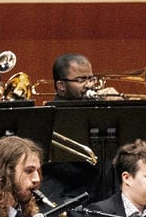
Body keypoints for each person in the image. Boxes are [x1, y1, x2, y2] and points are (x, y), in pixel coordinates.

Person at [39, 53, 116, 206]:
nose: (89, 85)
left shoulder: (97, 108)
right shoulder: (49, 117)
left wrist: (118, 108)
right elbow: (66, 167)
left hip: (106, 196)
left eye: (91, 78)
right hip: (70, 199)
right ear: (61, 86)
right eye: (81, 80)